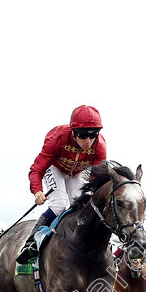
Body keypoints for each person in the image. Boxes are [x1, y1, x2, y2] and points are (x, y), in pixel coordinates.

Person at [16, 105, 107, 264]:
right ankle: (31, 243)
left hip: (78, 172)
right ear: (73, 131)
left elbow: (97, 176)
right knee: (59, 204)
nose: (88, 141)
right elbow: (37, 169)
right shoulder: (57, 138)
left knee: (80, 207)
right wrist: (37, 191)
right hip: (56, 168)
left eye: (93, 135)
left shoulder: (99, 146)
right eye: (84, 135)